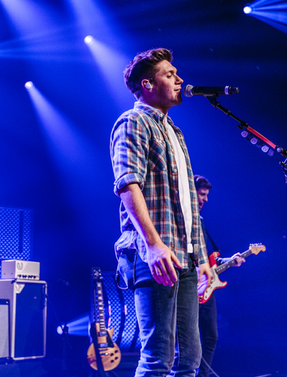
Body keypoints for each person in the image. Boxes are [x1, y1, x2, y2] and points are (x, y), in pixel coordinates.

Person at [111, 47, 212, 377]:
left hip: (183, 256)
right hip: (152, 252)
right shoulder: (133, 122)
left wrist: (203, 262)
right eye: (170, 74)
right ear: (148, 84)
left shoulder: (176, 132)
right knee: (158, 357)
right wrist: (154, 245)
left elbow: (187, 205)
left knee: (190, 360)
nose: (180, 79)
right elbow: (128, 185)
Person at [193, 175, 244, 377]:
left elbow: (209, 258)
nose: (205, 199)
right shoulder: (182, 219)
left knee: (211, 336)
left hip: (207, 288)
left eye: (207, 195)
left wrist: (230, 260)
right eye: (202, 194)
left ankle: (202, 375)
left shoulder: (201, 221)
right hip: (188, 285)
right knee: (186, 338)